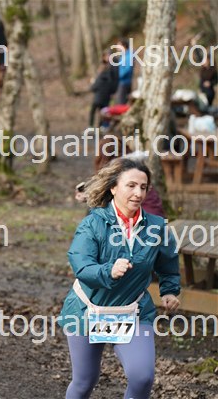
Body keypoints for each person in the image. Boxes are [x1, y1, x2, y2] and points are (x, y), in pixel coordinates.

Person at [59, 157, 181, 399]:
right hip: (87, 311)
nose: (138, 193)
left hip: (132, 311)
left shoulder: (156, 227)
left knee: (142, 377)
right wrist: (108, 271)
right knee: (84, 381)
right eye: (131, 185)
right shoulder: (93, 224)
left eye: (143, 187)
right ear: (114, 188)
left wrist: (169, 290)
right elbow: (81, 265)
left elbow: (168, 263)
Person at [89, 50, 118, 128]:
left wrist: (93, 85)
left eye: (107, 56)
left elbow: (98, 83)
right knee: (101, 110)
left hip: (103, 93)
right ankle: (99, 126)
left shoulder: (111, 68)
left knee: (99, 110)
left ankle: (97, 126)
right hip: (104, 93)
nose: (105, 58)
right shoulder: (106, 67)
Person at [115, 39, 134, 105]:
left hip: (125, 83)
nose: (117, 47)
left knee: (121, 103)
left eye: (119, 46)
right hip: (122, 82)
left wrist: (119, 75)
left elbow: (128, 69)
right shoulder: (123, 56)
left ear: (124, 46)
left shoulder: (129, 55)